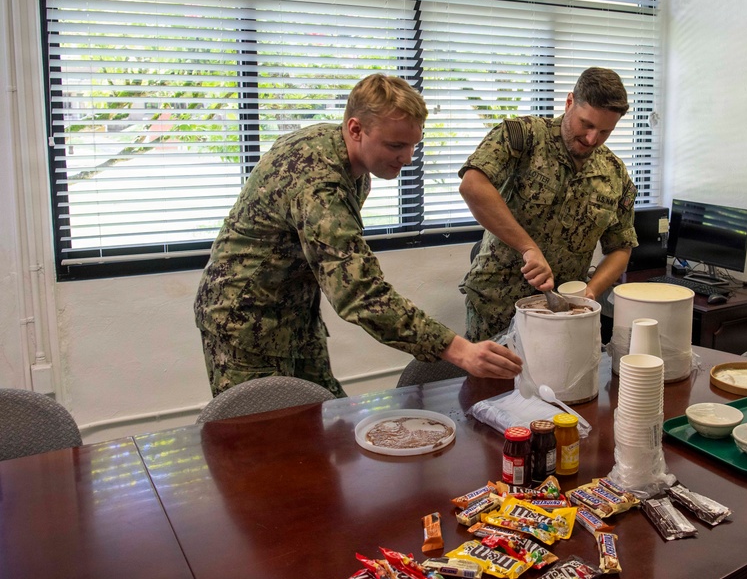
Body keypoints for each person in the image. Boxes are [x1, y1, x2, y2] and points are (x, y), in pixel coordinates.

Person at [195, 74, 522, 397]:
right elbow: (358, 290)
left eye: (412, 145)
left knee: (325, 418)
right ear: (355, 129)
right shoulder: (319, 183)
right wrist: (457, 349)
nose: (407, 158)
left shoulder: (349, 162)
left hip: (294, 318)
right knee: (263, 438)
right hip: (242, 321)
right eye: (395, 145)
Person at [458, 67, 639, 342]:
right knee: (492, 385)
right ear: (569, 103)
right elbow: (473, 186)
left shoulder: (615, 174)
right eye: (586, 124)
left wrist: (590, 292)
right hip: (495, 307)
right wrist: (528, 247)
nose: (592, 139)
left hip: (560, 315)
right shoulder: (523, 136)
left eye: (605, 131)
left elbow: (621, 247)